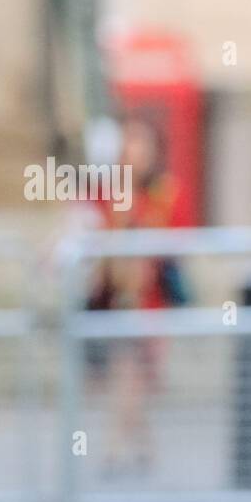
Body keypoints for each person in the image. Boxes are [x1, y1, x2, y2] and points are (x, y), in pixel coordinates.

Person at [83, 113, 186, 476]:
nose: (134, 151)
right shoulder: (106, 190)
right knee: (125, 372)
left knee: (138, 377)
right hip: (115, 301)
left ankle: (139, 445)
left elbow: (176, 242)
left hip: (152, 302)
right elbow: (84, 225)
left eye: (141, 143)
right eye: (128, 142)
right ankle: (120, 446)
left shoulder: (165, 191)